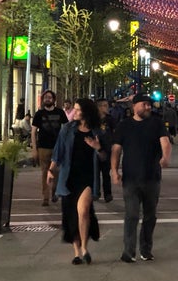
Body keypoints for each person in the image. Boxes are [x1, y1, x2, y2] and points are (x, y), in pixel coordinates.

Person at [111, 93, 171, 263]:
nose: (148, 107)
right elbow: (116, 149)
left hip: (152, 177)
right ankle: (128, 251)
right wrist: (114, 170)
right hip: (130, 178)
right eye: (144, 104)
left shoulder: (156, 123)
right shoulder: (124, 125)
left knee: (150, 216)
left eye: (149, 105)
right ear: (134, 106)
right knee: (131, 214)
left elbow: (165, 142)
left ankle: (146, 249)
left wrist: (165, 158)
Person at [48, 98, 108, 265]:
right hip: (69, 177)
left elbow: (104, 157)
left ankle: (85, 248)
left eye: (78, 110)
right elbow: (58, 152)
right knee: (71, 214)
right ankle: (76, 252)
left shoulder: (97, 132)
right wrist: (51, 170)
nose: (74, 112)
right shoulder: (67, 129)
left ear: (86, 112)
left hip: (88, 177)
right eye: (74, 109)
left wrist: (98, 148)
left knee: (83, 211)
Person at [31, 90, 68, 206]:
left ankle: (55, 192)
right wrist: (34, 148)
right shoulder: (39, 114)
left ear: (54, 99)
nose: (48, 99)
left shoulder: (60, 112)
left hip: (57, 147)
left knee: (56, 171)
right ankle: (45, 197)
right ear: (43, 100)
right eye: (45, 97)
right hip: (43, 147)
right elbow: (33, 132)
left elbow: (66, 129)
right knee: (44, 172)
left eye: (50, 97)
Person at [96, 98, 115, 202]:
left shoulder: (110, 119)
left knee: (106, 173)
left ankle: (108, 194)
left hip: (107, 149)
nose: (107, 107)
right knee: (95, 173)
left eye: (107, 105)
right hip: (95, 149)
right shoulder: (93, 119)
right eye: (105, 105)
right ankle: (96, 192)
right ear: (99, 107)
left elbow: (114, 132)